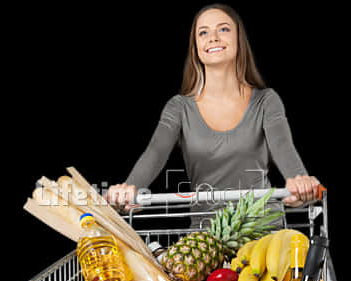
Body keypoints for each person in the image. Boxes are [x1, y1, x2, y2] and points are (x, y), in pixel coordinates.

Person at [106, 3, 320, 219]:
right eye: (203, 32)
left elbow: (283, 145)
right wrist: (129, 187)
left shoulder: (266, 101)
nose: (213, 37)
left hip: (263, 232)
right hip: (206, 234)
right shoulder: (179, 107)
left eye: (224, 29)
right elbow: (155, 152)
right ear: (196, 47)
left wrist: (300, 180)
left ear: (239, 39)